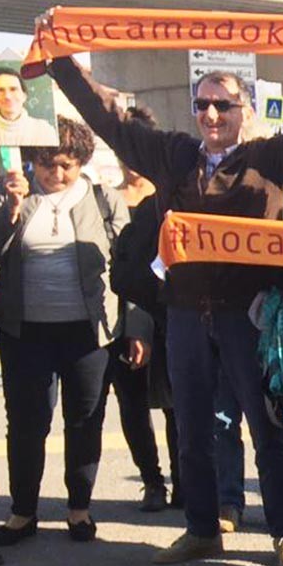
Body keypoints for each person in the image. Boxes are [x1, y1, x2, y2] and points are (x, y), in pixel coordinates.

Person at [48, 49, 283, 566]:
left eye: (223, 105)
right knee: (193, 427)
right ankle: (201, 529)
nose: (211, 115)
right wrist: (59, 62)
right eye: (202, 105)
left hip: (247, 316)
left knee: (269, 428)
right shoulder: (174, 155)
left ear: (243, 109)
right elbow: (107, 119)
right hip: (183, 314)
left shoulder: (271, 157)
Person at [0, 117, 127, 545]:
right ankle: (23, 512)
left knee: (84, 420)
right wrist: (12, 210)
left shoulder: (103, 199)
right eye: (47, 165)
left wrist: (139, 328)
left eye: (67, 165)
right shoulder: (11, 191)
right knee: (25, 422)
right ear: (31, 161)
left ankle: (79, 509)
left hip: (87, 333)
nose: (56, 174)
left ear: (82, 163)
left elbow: (128, 268)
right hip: (26, 332)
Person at [106, 104, 178, 513]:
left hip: (166, 314)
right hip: (117, 317)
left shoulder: (168, 199)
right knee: (132, 403)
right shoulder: (105, 198)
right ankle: (152, 481)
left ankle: (185, 482)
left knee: (176, 407)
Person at [0, 67, 58, 147]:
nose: (7, 96)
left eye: (13, 89)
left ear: (24, 96)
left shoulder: (45, 131)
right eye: (0, 90)